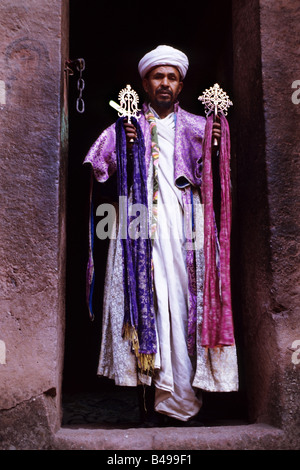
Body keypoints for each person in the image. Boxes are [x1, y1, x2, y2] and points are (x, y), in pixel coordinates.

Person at [84, 45, 239, 426]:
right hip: (139, 225)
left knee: (185, 302)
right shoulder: (128, 125)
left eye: (171, 77)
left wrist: (217, 147)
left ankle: (185, 397)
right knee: (147, 298)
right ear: (144, 83)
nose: (164, 83)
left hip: (188, 226)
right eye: (157, 76)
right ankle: (150, 397)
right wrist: (125, 143)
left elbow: (218, 180)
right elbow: (97, 169)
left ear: (181, 84)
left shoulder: (200, 127)